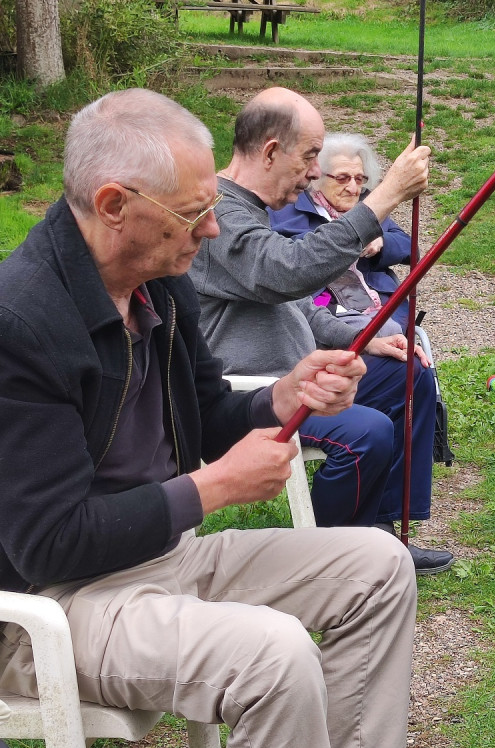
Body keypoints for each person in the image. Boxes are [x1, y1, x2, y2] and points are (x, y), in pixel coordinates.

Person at [0, 88, 418, 748]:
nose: (212, 230)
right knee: (273, 655)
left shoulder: (159, 279)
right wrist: (215, 488)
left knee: (378, 564)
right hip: (53, 608)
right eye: (193, 213)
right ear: (114, 204)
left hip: (163, 559)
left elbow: (210, 415)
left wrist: (284, 396)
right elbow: (48, 542)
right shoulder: (13, 323)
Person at [190, 87, 454, 576]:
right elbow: (288, 270)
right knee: (367, 431)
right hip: (251, 392)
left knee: (407, 375)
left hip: (298, 372)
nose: (316, 171)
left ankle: (378, 530)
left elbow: (294, 307)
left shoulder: (252, 210)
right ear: (271, 151)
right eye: (311, 156)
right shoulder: (220, 215)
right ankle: (328, 562)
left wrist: (367, 340)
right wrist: (386, 194)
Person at [269, 131, 412, 332]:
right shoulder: (287, 211)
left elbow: (411, 250)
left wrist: (381, 241)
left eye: (359, 179)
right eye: (342, 178)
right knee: (394, 347)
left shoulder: (368, 208)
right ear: (317, 176)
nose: (353, 188)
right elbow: (280, 258)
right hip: (323, 313)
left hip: (382, 307)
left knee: (400, 344)